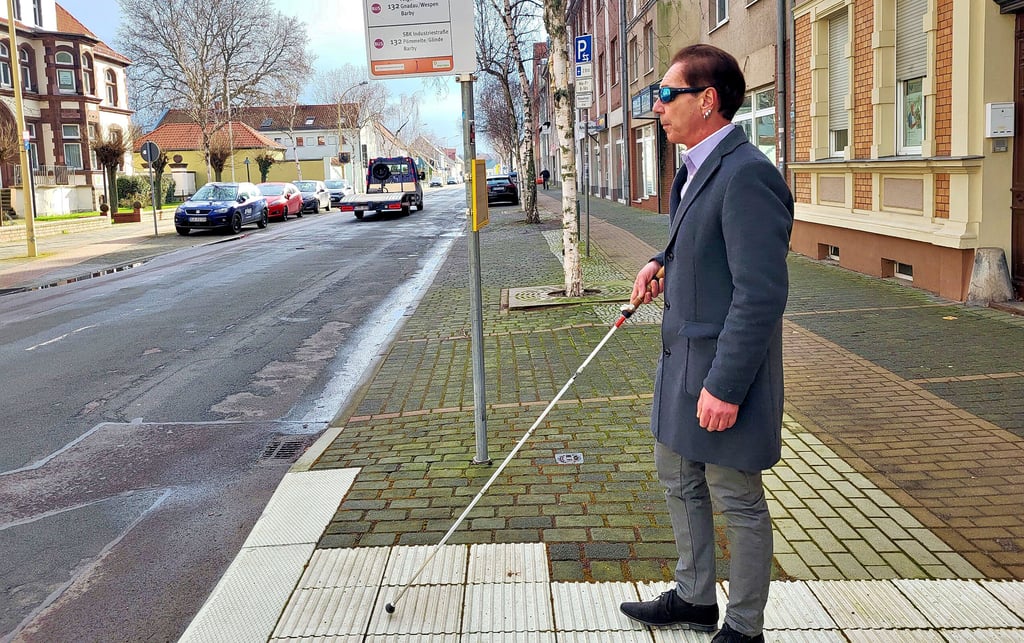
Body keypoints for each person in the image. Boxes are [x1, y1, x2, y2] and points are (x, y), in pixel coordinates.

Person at [618, 44, 793, 643]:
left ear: (707, 101)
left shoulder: (749, 175)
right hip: (681, 365)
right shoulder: (695, 166)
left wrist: (726, 385)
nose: (658, 108)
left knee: (735, 499)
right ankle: (694, 598)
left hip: (722, 374)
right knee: (678, 477)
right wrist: (659, 261)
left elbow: (761, 294)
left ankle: (745, 628)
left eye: (667, 95)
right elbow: (701, 242)